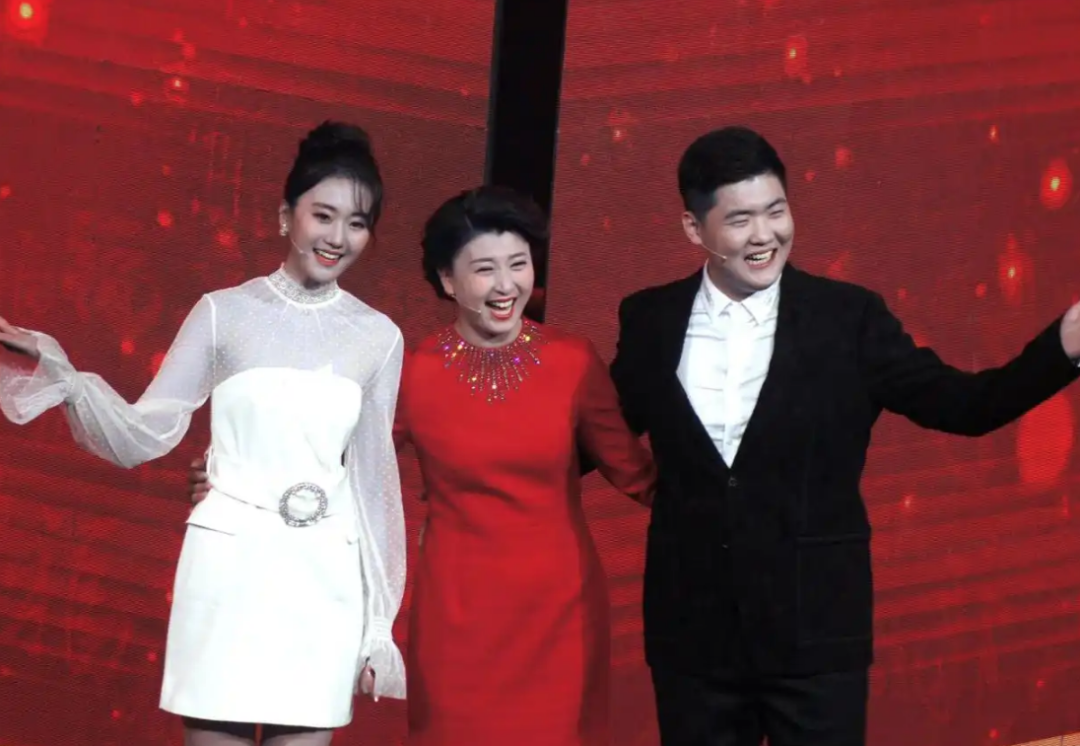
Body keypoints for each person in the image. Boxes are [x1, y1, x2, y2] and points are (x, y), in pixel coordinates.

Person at [610, 126, 1080, 746]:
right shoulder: (651, 319)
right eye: (741, 220)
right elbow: (599, 432)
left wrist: (1064, 346)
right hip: (693, 643)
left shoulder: (849, 318)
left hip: (817, 636)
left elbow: (967, 406)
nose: (765, 235)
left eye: (777, 211)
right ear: (694, 229)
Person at [190, 185, 657, 745]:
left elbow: (638, 475)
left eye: (519, 264)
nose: (506, 285)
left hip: (561, 612)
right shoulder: (413, 370)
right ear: (447, 281)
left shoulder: (573, 361)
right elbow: (336, 466)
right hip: (454, 614)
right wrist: (237, 478)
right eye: (484, 269)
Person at [0, 121, 408, 746]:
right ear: (285, 217)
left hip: (324, 578)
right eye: (322, 216)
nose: (337, 237)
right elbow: (143, 432)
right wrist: (64, 374)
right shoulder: (224, 313)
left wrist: (379, 623)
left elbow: (375, 484)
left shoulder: (378, 337)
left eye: (356, 223)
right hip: (227, 565)